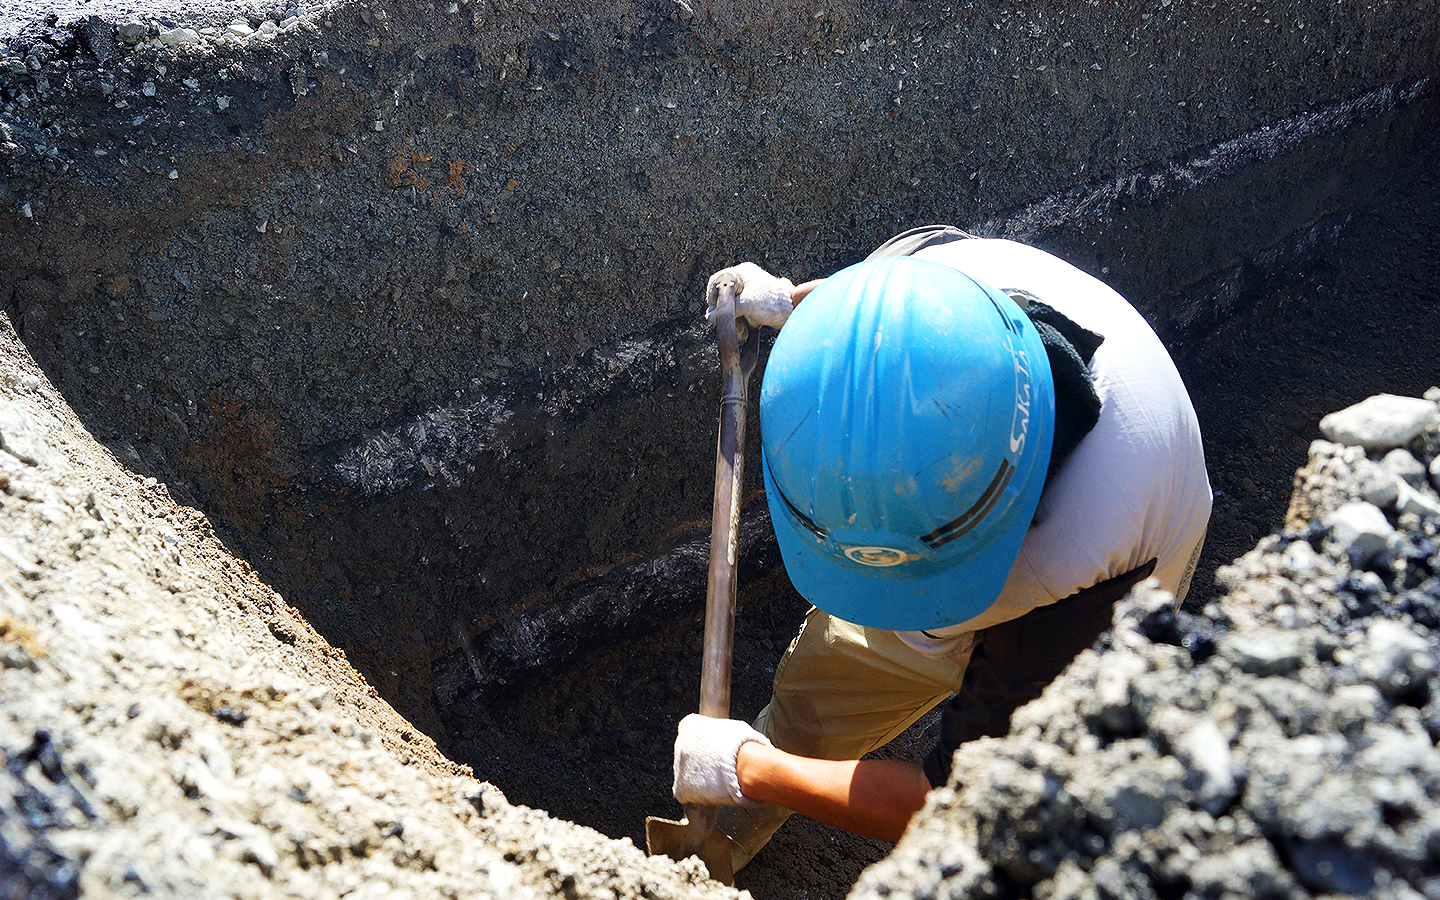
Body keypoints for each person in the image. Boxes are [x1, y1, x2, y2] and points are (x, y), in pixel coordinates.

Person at [671, 226, 1212, 872]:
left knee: (1043, 823)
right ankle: (704, 864)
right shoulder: (928, 288)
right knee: (813, 709)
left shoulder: (1085, 566)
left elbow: (963, 798)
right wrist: (795, 305)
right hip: (993, 529)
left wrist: (745, 766)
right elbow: (881, 337)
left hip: (1118, 560)